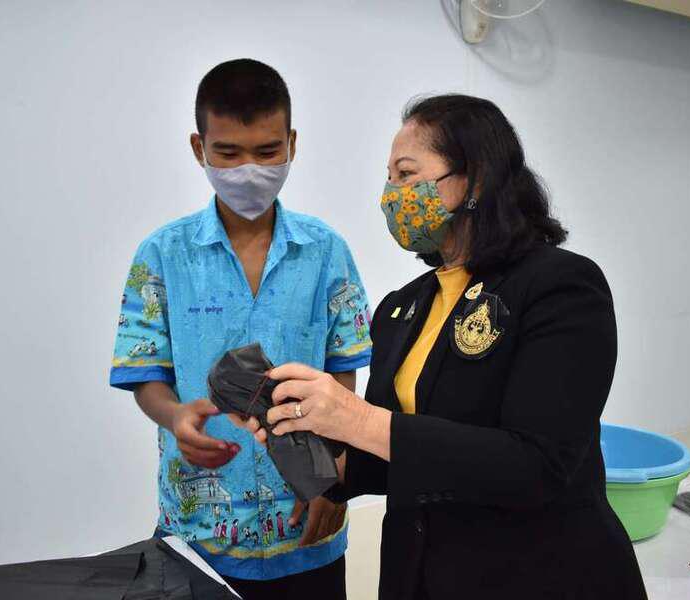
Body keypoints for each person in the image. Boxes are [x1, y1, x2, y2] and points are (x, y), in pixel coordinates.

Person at [238, 95, 648, 599]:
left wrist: (354, 418)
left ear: (475, 179)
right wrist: (305, 443)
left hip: (538, 576)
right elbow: (395, 456)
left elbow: (536, 466)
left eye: (407, 174)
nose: (391, 195)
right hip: (422, 576)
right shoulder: (401, 308)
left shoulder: (559, 286)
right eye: (389, 178)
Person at [109, 59, 371, 600]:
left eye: (267, 151)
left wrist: (333, 481)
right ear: (198, 147)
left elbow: (342, 378)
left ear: (292, 143)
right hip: (197, 536)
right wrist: (175, 415)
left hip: (308, 526)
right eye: (228, 153)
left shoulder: (326, 252)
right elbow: (145, 373)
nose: (249, 169)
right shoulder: (162, 255)